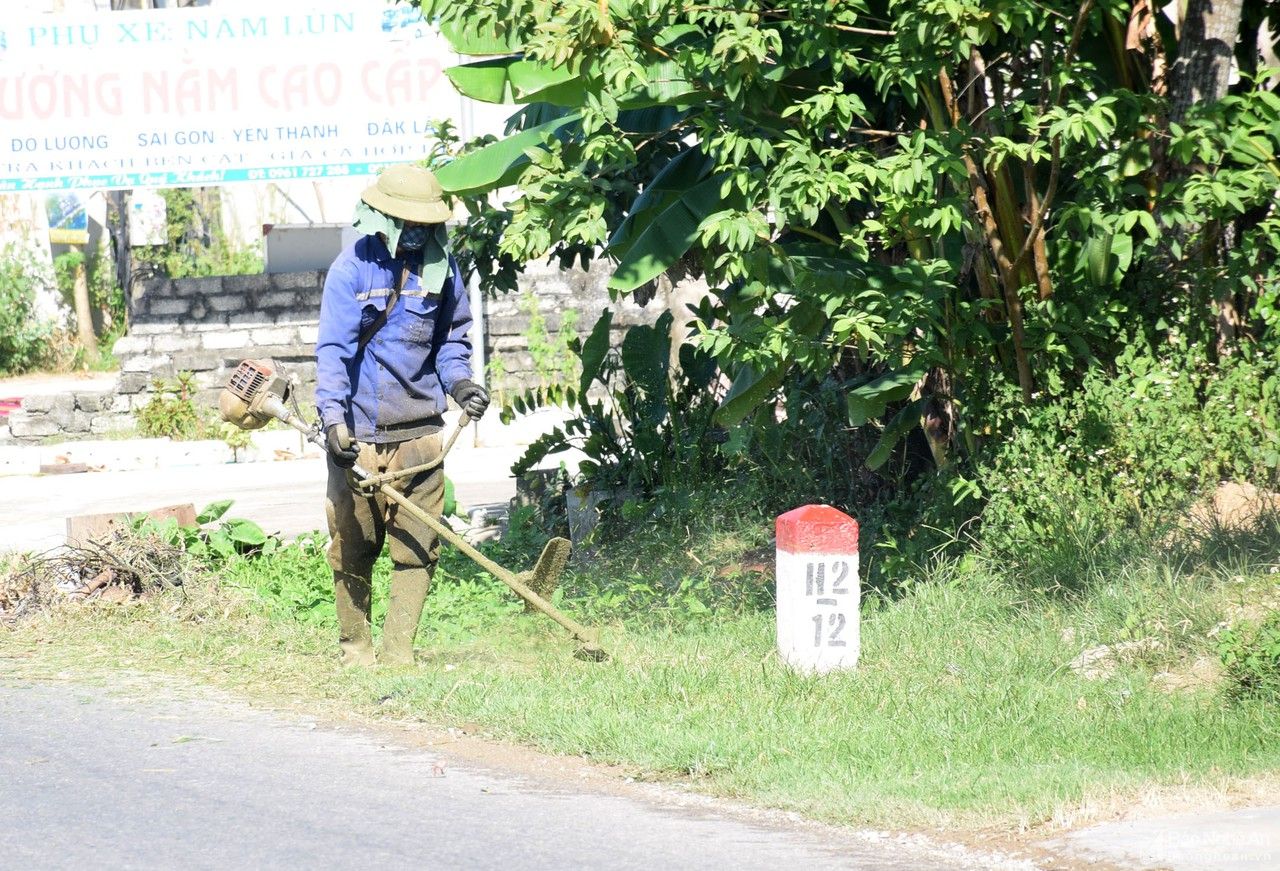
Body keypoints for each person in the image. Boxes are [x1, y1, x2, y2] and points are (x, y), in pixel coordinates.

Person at [315, 163, 489, 667]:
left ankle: (398, 654)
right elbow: (334, 353)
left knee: (418, 546)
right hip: (358, 439)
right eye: (408, 224)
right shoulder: (351, 270)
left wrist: (460, 385)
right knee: (353, 544)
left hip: (421, 437)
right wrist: (333, 422)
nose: (418, 233)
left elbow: (451, 341)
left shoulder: (444, 270)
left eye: (426, 225)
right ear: (383, 218)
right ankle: (356, 651)